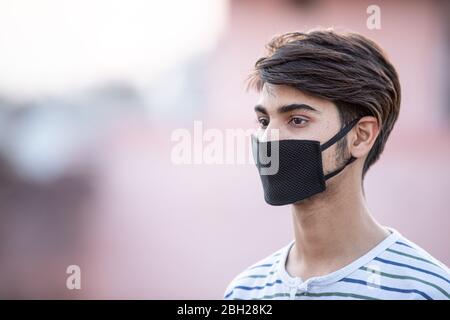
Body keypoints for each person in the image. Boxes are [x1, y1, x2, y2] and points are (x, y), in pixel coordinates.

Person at [223, 29, 450, 300]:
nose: (269, 138)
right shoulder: (244, 292)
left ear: (361, 136)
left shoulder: (426, 291)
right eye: (263, 122)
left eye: (297, 120)